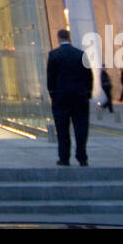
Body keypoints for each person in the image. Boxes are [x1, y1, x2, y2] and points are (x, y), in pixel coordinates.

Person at [47, 29, 93, 167]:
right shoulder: (81, 54)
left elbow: (51, 77)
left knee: (62, 129)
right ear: (69, 37)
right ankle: (82, 157)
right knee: (81, 128)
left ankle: (64, 157)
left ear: (59, 38)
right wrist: (88, 93)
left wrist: (53, 94)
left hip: (61, 97)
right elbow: (89, 76)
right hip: (80, 96)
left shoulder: (54, 55)